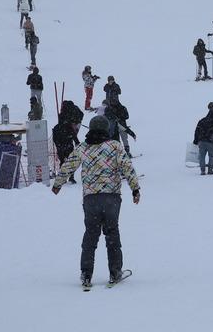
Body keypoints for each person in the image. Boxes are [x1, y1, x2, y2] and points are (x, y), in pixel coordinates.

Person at [52, 115, 141, 288]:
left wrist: (58, 184)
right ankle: (115, 271)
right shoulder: (115, 146)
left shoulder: (83, 148)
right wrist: (135, 189)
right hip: (111, 198)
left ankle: (86, 273)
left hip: (91, 198)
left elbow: (68, 165)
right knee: (112, 234)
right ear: (106, 129)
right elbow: (127, 167)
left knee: (91, 236)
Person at [53, 100, 84, 184]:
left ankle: (62, 177)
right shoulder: (69, 126)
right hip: (68, 143)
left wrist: (57, 145)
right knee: (71, 161)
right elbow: (73, 134)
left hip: (61, 144)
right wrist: (77, 142)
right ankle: (71, 177)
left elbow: (54, 138)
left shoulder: (57, 127)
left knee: (62, 161)